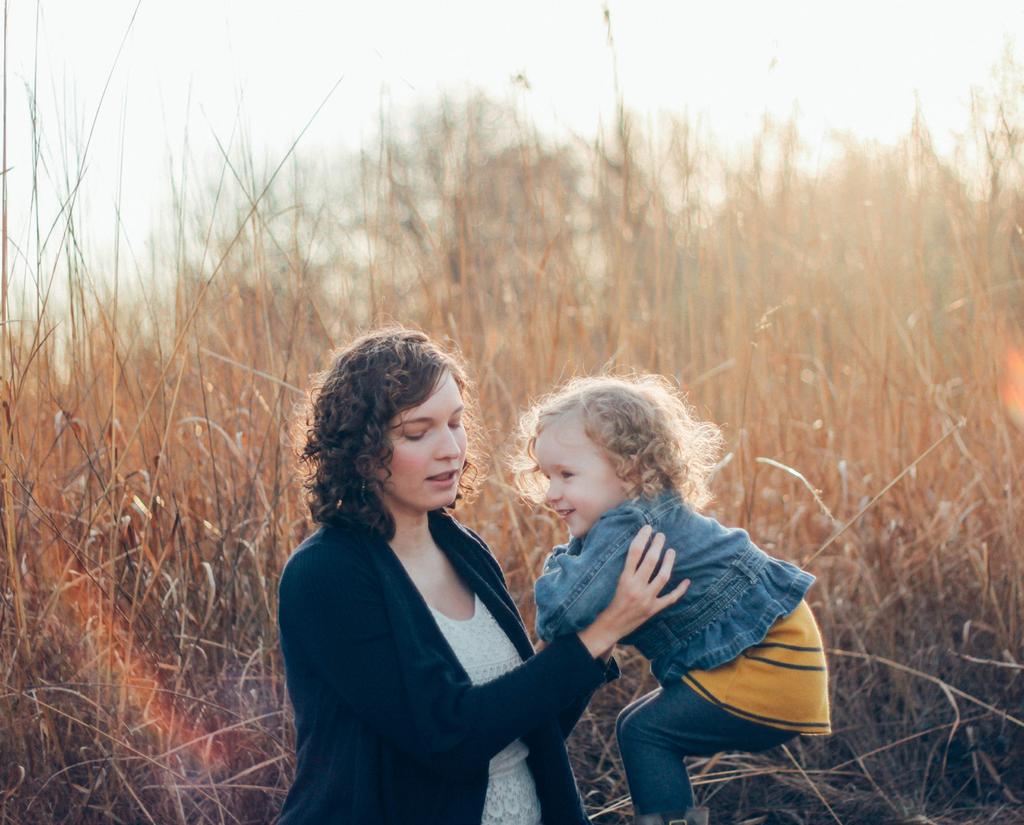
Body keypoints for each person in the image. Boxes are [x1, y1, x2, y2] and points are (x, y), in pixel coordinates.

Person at [276, 328, 689, 825]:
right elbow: (448, 738)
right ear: (359, 449)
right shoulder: (326, 574)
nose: (450, 448)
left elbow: (529, 727)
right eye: (417, 431)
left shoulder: (463, 548)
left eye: (455, 423)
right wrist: (601, 632)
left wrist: (604, 625)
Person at [515, 374, 832, 825]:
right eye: (546, 476)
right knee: (634, 726)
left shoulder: (627, 525)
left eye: (567, 475)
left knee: (647, 734)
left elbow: (561, 612)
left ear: (629, 468)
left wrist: (563, 559)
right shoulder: (650, 512)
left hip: (768, 666)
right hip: (785, 659)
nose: (550, 493)